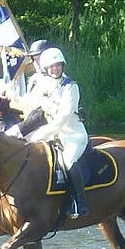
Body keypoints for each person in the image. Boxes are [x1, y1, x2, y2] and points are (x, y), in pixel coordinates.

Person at [18, 46, 90, 218]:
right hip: (53, 135)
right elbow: (28, 103)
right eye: (51, 67)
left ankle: (80, 203)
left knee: (68, 161)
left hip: (72, 136)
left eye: (57, 65)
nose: (55, 69)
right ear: (46, 69)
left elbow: (62, 118)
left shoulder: (71, 87)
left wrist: (40, 135)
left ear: (62, 65)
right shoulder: (43, 84)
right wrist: (6, 94)